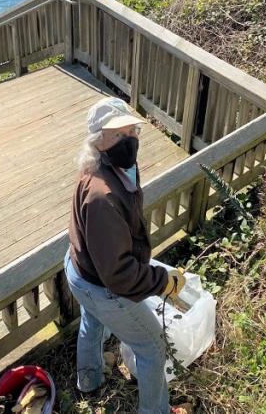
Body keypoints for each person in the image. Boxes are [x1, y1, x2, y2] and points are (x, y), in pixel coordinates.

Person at [64, 96, 192, 414]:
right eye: (119, 134)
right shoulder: (102, 196)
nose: (130, 140)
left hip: (81, 270)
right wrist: (163, 281)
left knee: (91, 322)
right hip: (103, 284)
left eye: (133, 131)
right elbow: (119, 275)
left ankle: (90, 382)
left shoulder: (107, 167)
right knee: (152, 346)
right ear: (100, 140)